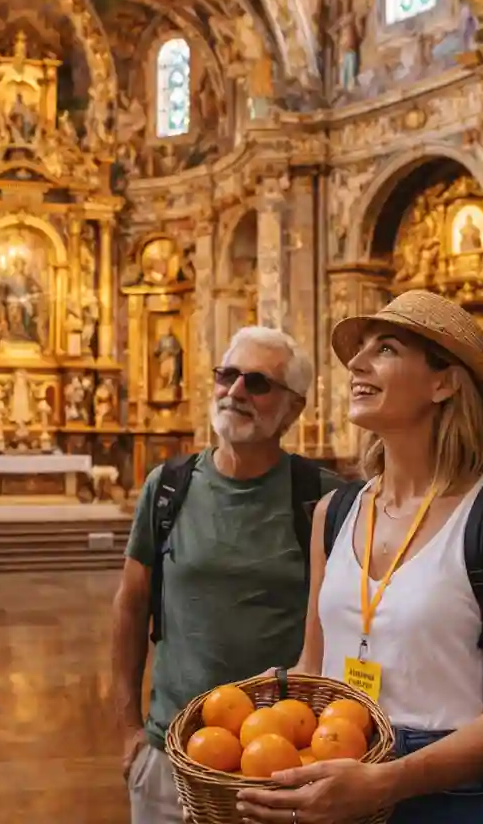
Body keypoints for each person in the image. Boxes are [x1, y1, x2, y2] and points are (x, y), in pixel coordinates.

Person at [239, 291, 483, 824]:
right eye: (358, 351)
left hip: (455, 797)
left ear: (444, 382)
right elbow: (313, 668)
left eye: (384, 349)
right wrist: (247, 726)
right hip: (339, 766)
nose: (356, 364)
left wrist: (388, 780)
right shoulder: (334, 513)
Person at [112, 327, 344, 824]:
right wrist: (129, 725)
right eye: (227, 375)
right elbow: (131, 605)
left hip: (279, 764)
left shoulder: (323, 500)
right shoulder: (168, 488)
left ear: (294, 409)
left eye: (257, 383)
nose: (236, 392)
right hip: (169, 757)